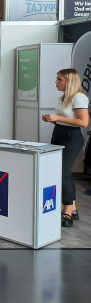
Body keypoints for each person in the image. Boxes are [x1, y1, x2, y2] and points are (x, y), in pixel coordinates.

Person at [42, 68, 89, 227]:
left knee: (62, 171)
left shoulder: (79, 98)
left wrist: (58, 117)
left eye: (59, 79)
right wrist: (53, 120)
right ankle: (73, 207)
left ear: (69, 81)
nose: (56, 82)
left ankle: (67, 210)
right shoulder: (63, 98)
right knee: (63, 172)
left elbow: (83, 123)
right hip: (59, 133)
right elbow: (65, 119)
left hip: (72, 138)